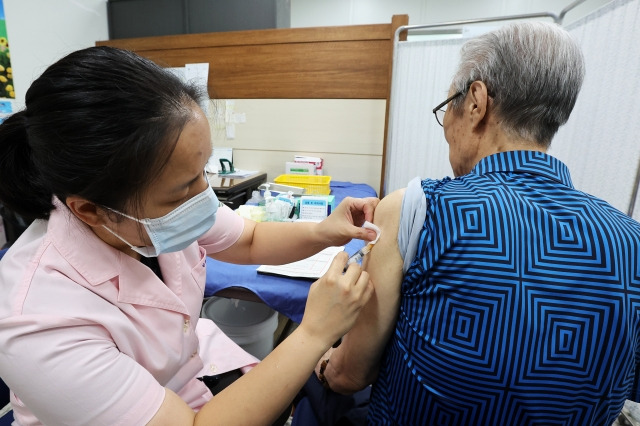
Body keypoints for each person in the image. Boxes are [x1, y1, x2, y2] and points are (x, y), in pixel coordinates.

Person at [0, 46, 379, 426]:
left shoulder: (153, 214)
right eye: (183, 187)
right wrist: (314, 333)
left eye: (204, 169)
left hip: (184, 381)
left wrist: (321, 232)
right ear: (90, 210)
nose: (205, 198)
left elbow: (249, 240)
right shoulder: (36, 320)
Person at [317, 21, 640, 425]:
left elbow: (352, 373)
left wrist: (322, 362)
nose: (446, 129)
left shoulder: (419, 209)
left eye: (446, 108)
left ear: (476, 102)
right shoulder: (631, 242)